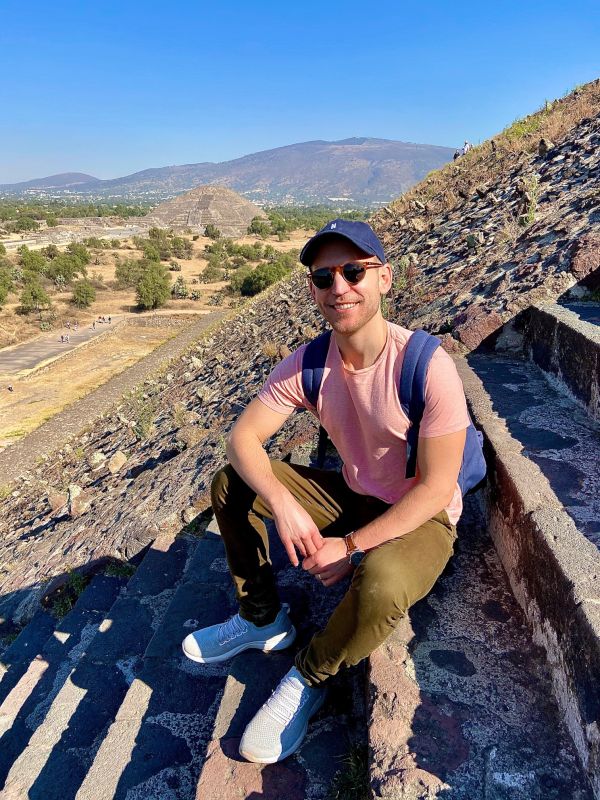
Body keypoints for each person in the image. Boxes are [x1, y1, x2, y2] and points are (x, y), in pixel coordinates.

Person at [182, 220, 470, 764]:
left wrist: (351, 547)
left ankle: (309, 676)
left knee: (382, 584)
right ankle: (262, 618)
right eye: (324, 276)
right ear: (313, 289)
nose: (339, 287)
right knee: (232, 483)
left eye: (354, 271)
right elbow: (241, 438)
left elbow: (435, 488)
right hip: (354, 495)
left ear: (384, 278)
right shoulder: (312, 362)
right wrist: (283, 502)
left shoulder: (425, 366)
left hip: (421, 514)